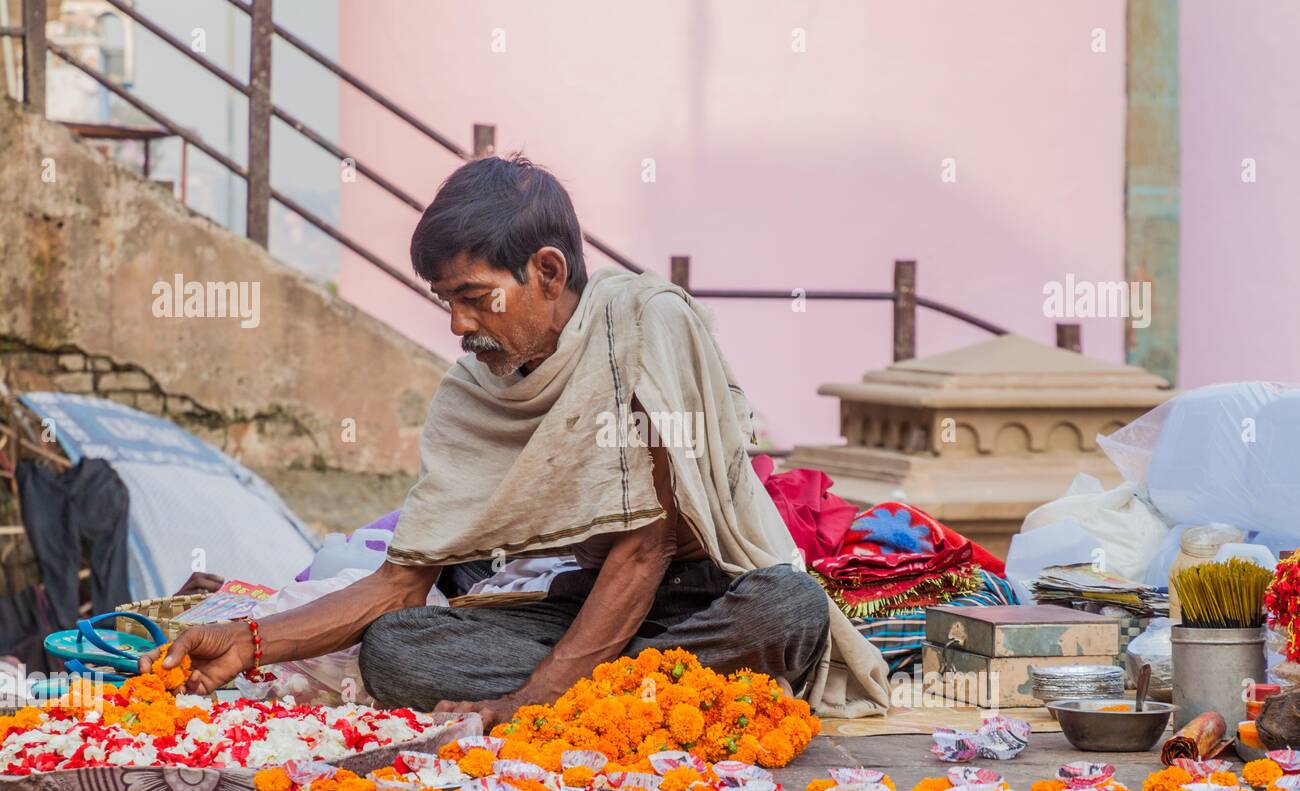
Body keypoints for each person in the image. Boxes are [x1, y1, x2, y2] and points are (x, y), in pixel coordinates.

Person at [141, 155, 889, 729]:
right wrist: (248, 640)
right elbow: (399, 584)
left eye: (473, 298)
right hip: (579, 610)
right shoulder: (471, 393)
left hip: (703, 598)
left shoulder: (644, 323)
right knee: (398, 650)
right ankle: (640, 697)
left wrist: (538, 697)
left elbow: (648, 548)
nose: (459, 326)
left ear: (548, 270)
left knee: (789, 609)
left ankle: (594, 698)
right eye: (448, 303)